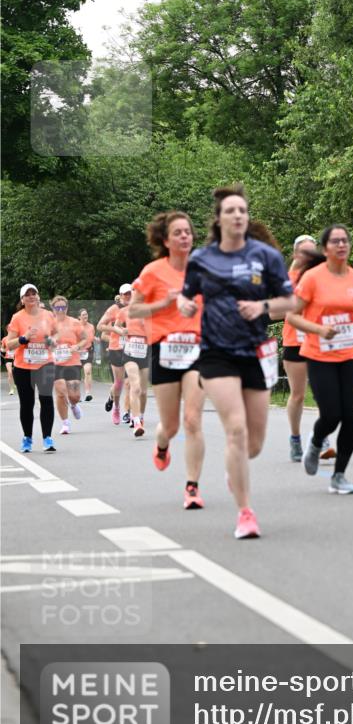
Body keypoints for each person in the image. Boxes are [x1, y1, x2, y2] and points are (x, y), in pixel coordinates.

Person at [179, 186, 295, 538]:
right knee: (237, 430)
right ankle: (245, 512)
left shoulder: (266, 257)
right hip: (216, 354)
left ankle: (236, 469)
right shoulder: (202, 259)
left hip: (255, 351)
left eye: (243, 210)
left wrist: (262, 308)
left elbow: (290, 302)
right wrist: (185, 306)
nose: (238, 215)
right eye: (231, 210)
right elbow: (187, 297)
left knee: (254, 443)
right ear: (219, 218)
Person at [286, 224, 353, 494]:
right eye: (335, 241)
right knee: (332, 414)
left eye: (345, 240)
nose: (341, 245)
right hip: (319, 353)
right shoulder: (312, 278)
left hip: (351, 353)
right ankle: (314, 442)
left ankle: (339, 476)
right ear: (325, 249)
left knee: (351, 417)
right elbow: (292, 316)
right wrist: (319, 329)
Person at [128, 211, 206, 509]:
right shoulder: (152, 272)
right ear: (165, 239)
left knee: (193, 419)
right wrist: (166, 302)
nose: (185, 236)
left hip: (197, 350)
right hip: (165, 350)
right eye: (178, 232)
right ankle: (162, 445)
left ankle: (192, 486)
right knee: (171, 426)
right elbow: (133, 311)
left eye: (188, 231)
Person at [6, 284, 58, 452]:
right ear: (22, 300)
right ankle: (27, 438)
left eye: (33, 293)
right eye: (27, 294)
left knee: (46, 399)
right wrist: (24, 338)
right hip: (23, 366)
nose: (31, 296)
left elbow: (56, 334)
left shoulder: (49, 315)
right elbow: (9, 343)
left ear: (38, 296)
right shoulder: (17, 318)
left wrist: (52, 340)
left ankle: (47, 438)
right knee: (27, 403)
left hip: (45, 364)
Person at [281, 234, 318, 460]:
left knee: (325, 392)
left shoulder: (322, 276)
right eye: (305, 252)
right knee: (298, 395)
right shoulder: (287, 280)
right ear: (296, 254)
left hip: (318, 340)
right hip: (295, 341)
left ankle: (321, 437)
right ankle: (295, 439)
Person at [50, 295, 86, 435]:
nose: (61, 310)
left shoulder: (75, 322)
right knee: (60, 392)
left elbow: (84, 339)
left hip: (73, 362)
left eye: (63, 307)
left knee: (74, 395)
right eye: (57, 307)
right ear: (53, 308)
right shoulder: (49, 324)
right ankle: (65, 423)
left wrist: (77, 346)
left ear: (67, 307)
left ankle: (73, 404)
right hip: (55, 362)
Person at [98, 285, 132, 425]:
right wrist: (116, 330)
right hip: (116, 348)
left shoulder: (138, 308)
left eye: (130, 293)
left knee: (130, 382)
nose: (128, 296)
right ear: (120, 295)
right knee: (118, 383)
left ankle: (128, 412)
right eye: (125, 294)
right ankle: (116, 406)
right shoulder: (114, 309)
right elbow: (100, 326)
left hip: (133, 349)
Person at [116, 302, 149, 437]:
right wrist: (121, 331)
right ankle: (136, 423)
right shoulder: (124, 311)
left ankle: (140, 416)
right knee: (135, 387)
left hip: (145, 351)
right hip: (130, 353)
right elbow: (116, 326)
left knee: (144, 391)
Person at [77, 309, 96, 401]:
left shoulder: (91, 326)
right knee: (76, 374)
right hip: (77, 353)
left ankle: (88, 393)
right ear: (79, 317)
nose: (85, 316)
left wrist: (95, 338)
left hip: (88, 351)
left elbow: (91, 337)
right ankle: (77, 394)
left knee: (87, 371)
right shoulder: (76, 326)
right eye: (83, 315)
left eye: (86, 314)